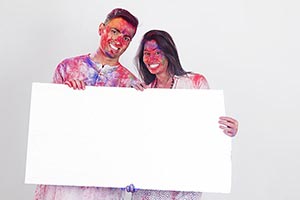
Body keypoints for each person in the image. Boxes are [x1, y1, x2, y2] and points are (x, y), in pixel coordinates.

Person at [34, 8, 140, 200]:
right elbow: (46, 126)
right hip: (63, 183)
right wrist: (64, 95)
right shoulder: (68, 68)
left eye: (126, 37)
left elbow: (134, 137)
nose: (119, 40)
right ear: (102, 29)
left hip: (103, 188)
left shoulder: (131, 84)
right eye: (115, 31)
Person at [130, 29, 239, 200]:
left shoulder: (194, 83)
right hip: (149, 183)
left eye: (158, 52)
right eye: (146, 53)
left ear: (169, 53)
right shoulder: (143, 91)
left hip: (184, 181)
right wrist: (131, 99)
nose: (151, 58)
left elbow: (209, 129)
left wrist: (228, 131)